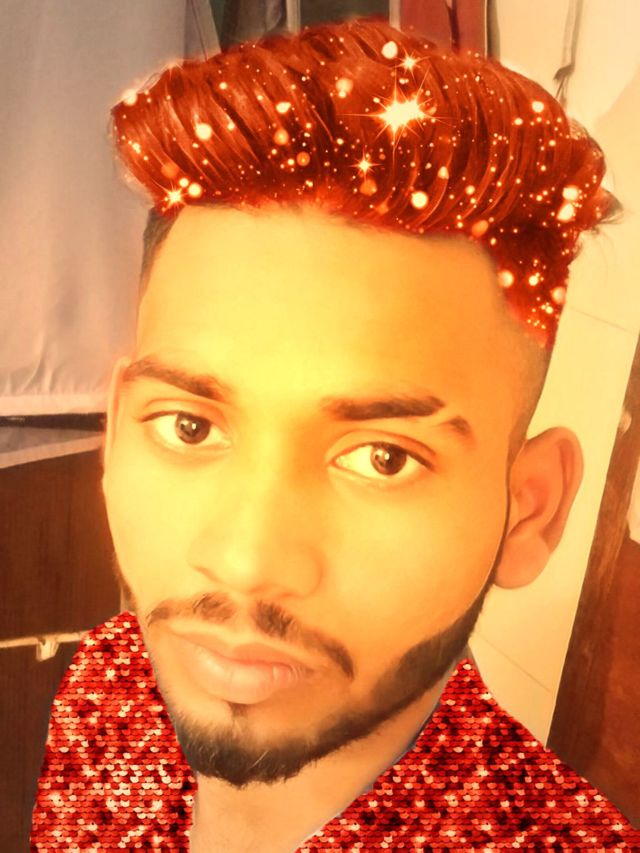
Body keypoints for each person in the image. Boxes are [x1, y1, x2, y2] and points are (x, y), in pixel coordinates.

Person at [31, 16, 639, 852]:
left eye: (383, 458)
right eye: (188, 425)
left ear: (527, 511)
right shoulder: (110, 683)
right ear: (114, 434)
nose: (245, 561)